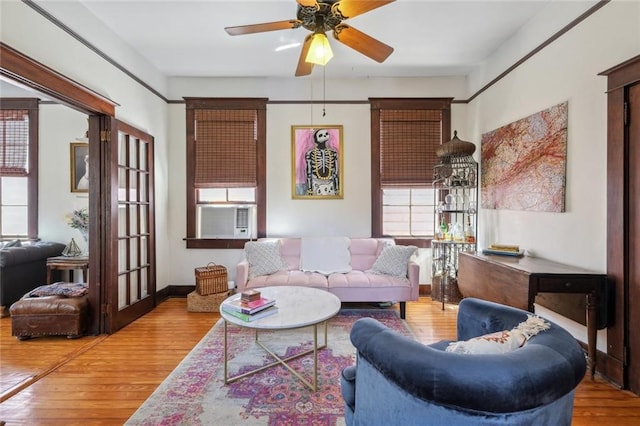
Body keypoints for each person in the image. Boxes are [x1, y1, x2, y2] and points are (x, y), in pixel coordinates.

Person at [304, 129, 339, 196]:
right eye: (320, 135)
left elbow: (335, 173)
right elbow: (309, 173)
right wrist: (310, 189)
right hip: (315, 184)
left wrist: (337, 188)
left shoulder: (333, 153)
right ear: (315, 139)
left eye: (326, 134)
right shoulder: (310, 153)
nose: (324, 136)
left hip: (330, 184)